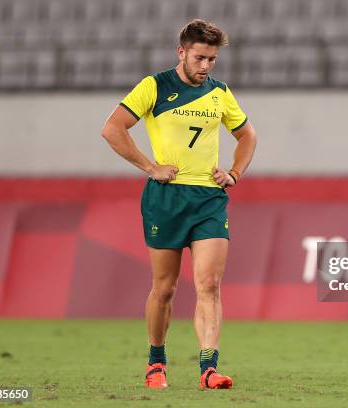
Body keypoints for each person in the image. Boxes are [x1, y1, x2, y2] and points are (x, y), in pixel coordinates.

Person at [100, 19, 257, 390]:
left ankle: (208, 368)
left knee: (209, 284)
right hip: (166, 200)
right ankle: (156, 361)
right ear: (181, 52)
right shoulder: (154, 86)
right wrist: (150, 167)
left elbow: (247, 135)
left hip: (208, 199)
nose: (206, 67)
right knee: (165, 288)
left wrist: (234, 173)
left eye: (213, 60)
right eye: (200, 58)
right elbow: (112, 128)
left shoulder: (220, 93)